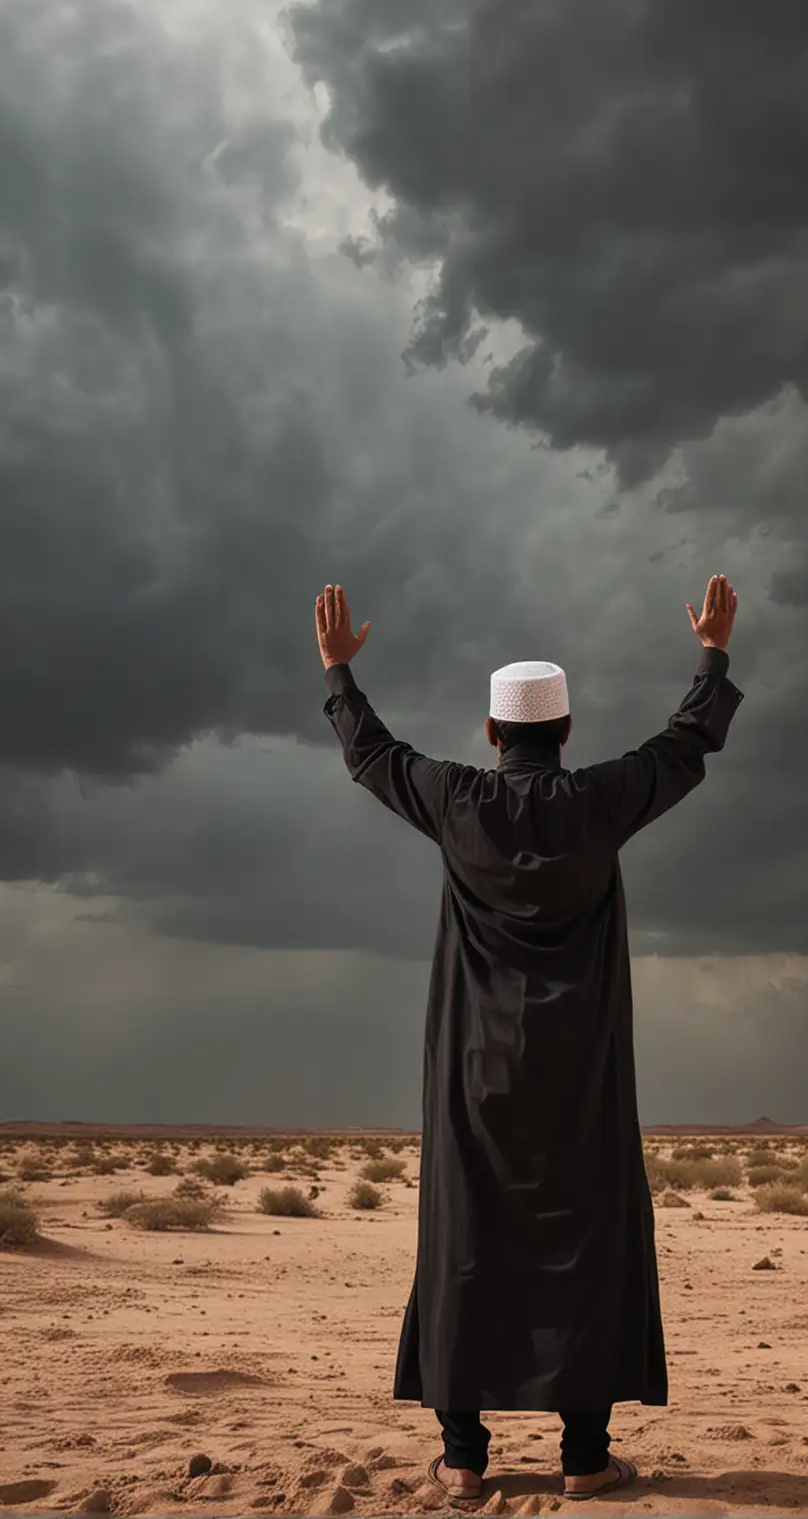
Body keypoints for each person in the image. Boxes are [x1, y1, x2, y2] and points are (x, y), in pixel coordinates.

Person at [318, 575, 744, 1503]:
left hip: (476, 1069)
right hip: (581, 1071)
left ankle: (464, 1458)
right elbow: (686, 743)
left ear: (491, 735)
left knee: (466, 1241)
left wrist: (339, 674)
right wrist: (712, 651)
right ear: (566, 730)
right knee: (584, 1241)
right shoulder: (599, 802)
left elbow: (373, 756)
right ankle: (585, 1457)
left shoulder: (458, 803)